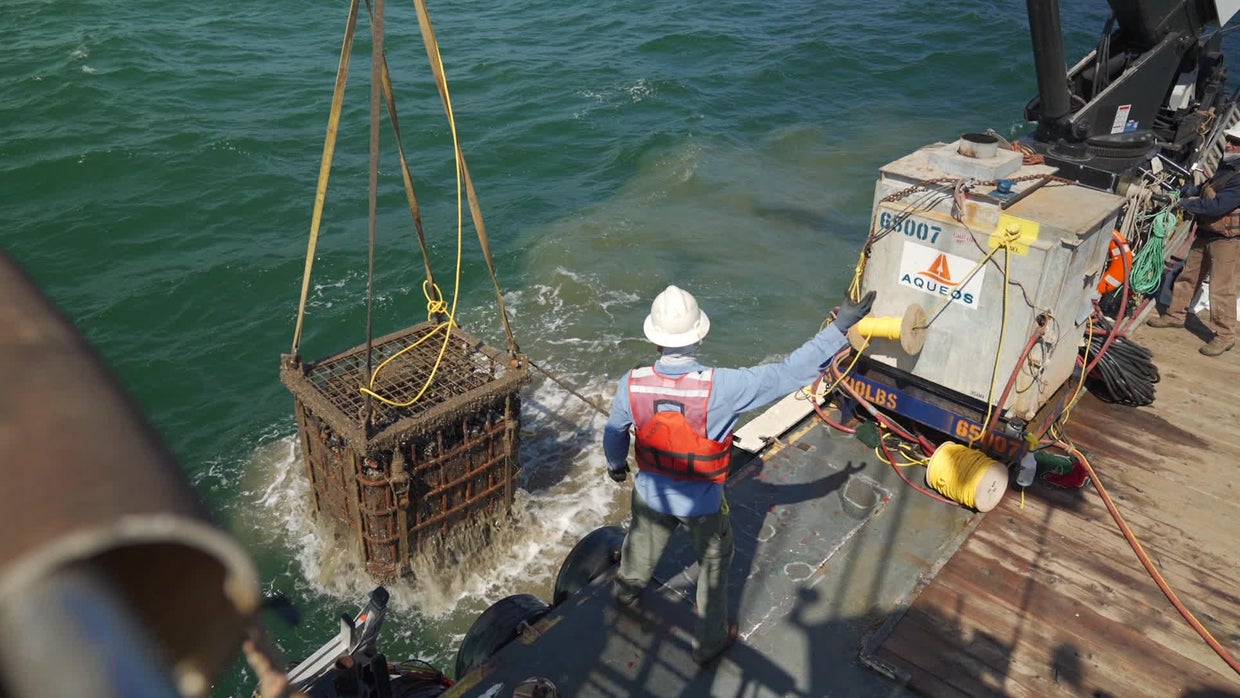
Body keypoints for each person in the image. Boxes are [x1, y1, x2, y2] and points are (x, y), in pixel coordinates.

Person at [602, 284, 876, 668]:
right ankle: (709, 644)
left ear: (655, 338)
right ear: (700, 333)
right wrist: (841, 326)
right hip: (703, 503)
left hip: (651, 493)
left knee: (641, 545)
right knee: (713, 567)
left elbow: (615, 432)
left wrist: (616, 465)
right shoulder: (724, 387)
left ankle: (626, 593)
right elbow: (790, 372)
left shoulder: (631, 383)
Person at [1146, 127, 1240, 356]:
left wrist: (1186, 204)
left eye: (1235, 143)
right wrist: (1187, 190)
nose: (1229, 145)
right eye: (1229, 140)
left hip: (1227, 240)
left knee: (1221, 288)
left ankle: (1225, 335)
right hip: (1207, 230)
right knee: (1189, 275)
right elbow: (1207, 188)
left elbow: (1218, 206)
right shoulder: (1227, 166)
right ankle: (1176, 314)